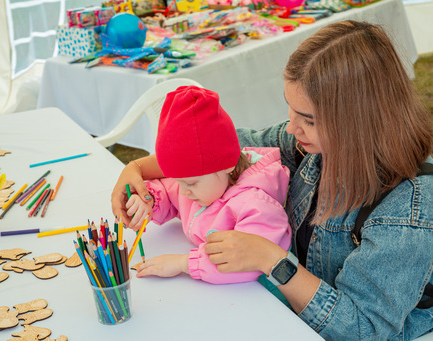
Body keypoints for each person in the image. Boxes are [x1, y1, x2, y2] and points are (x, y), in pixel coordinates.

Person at [111, 21, 433, 339]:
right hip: (276, 313)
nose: (291, 128)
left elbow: (362, 329)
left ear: (358, 121)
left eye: (308, 120)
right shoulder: (310, 144)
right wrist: (137, 170)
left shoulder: (408, 207)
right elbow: (216, 148)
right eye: (290, 110)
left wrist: (270, 259)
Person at [124, 85, 291, 284]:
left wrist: (183, 264)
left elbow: (245, 263)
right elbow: (170, 192)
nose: (184, 191)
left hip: (260, 296)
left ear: (228, 165)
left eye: (190, 183)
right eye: (178, 181)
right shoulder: (203, 182)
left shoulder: (257, 206)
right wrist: (149, 201)